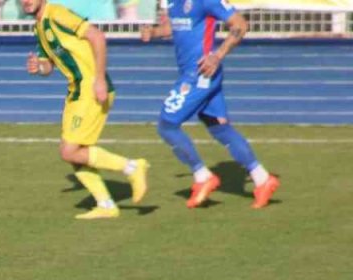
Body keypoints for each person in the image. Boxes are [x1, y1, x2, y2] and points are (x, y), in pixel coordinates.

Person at [142, 0, 280, 209]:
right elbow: (176, 25)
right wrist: (154, 32)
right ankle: (262, 179)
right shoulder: (171, 2)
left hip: (199, 74)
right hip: (196, 73)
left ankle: (202, 176)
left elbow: (240, 25)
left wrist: (216, 56)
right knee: (218, 125)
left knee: (167, 125)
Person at [23, 0, 150, 219]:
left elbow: (97, 37)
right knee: (73, 154)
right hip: (75, 93)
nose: (25, 1)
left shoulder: (58, 14)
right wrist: (39, 67)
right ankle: (106, 204)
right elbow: (48, 66)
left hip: (90, 89)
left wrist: (99, 79)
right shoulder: (39, 26)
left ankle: (132, 167)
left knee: (69, 150)